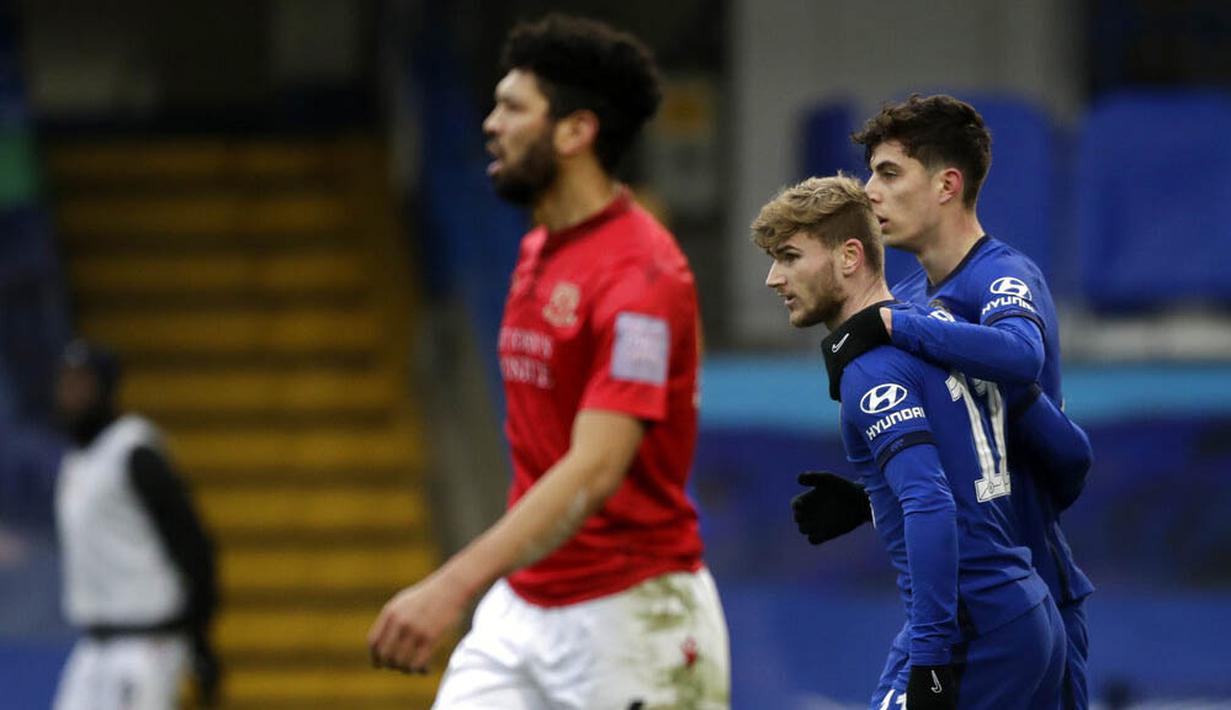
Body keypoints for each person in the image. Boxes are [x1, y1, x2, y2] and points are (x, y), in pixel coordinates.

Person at [367, 14, 730, 709]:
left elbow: (595, 469)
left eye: (512, 108)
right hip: (525, 608)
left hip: (634, 619)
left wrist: (452, 582)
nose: (489, 124)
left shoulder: (642, 277)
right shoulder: (539, 249)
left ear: (574, 132)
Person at [792, 94, 1095, 709]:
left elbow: (1021, 357)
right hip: (971, 598)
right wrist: (875, 500)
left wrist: (893, 328)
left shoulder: (1001, 277)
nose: (869, 191)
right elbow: (961, 460)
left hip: (1028, 594)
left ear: (947, 185)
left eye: (889, 173)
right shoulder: (907, 296)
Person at [52, 340, 220, 709]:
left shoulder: (134, 451)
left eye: (83, 382)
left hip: (147, 643)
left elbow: (191, 542)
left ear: (105, 387)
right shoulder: (76, 459)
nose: (72, 393)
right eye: (67, 382)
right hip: (94, 644)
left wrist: (200, 639)